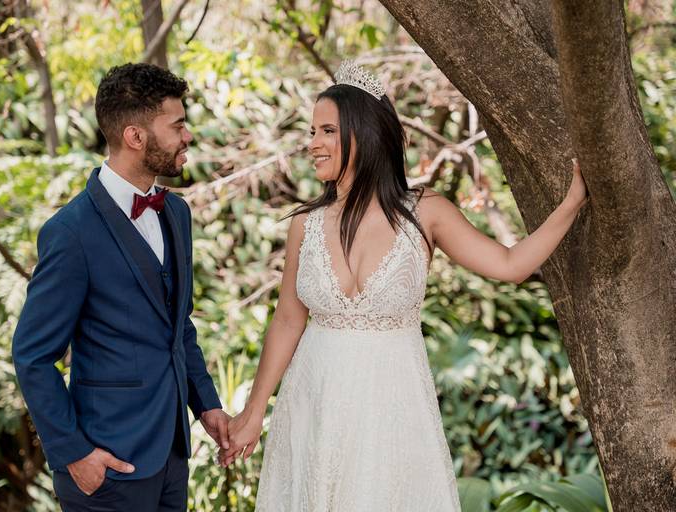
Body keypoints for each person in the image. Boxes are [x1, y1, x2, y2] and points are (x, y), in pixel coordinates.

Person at [221, 60, 589, 511]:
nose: (312, 143)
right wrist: (254, 410)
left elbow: (510, 264)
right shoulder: (306, 224)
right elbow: (286, 321)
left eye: (327, 131)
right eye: (312, 131)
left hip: (391, 408)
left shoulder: (425, 211)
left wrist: (571, 204)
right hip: (315, 402)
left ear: (364, 134)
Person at [12, 63, 230, 512]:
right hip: (105, 468)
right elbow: (32, 355)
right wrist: (75, 454)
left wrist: (206, 405)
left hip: (172, 460)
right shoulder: (70, 233)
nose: (188, 136)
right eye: (177, 126)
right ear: (135, 136)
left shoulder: (177, 214)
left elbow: (178, 326)